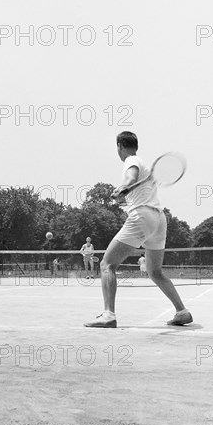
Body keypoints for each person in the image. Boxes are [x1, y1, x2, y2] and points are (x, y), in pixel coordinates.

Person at [84, 131, 192, 328]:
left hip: (142, 217)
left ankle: (108, 315)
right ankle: (182, 311)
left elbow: (131, 177)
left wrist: (124, 186)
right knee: (155, 272)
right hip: (159, 220)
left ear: (119, 146)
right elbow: (138, 189)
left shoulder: (131, 161)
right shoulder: (145, 166)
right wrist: (124, 195)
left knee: (107, 265)